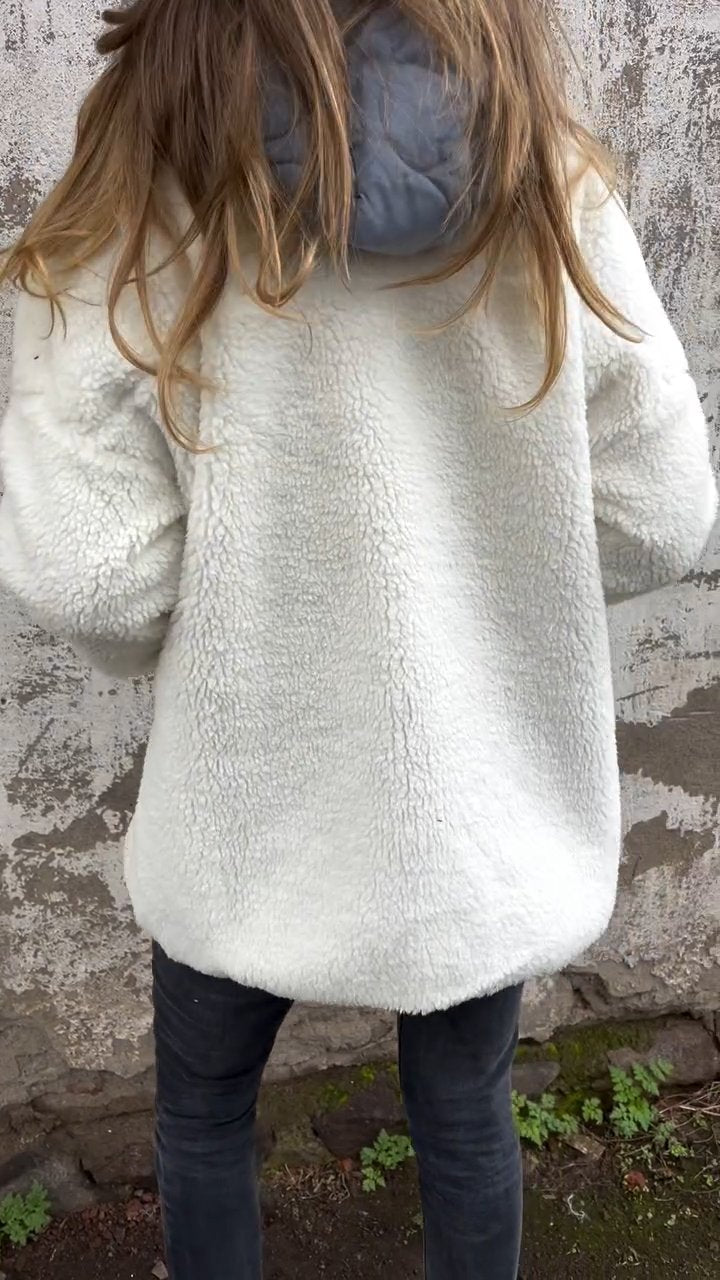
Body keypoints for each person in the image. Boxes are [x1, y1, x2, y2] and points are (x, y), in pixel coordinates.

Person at [0, 1, 716, 1277]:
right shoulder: (545, 176)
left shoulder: (148, 186)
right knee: (466, 1106)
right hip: (475, 810)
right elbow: (662, 514)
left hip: (246, 806)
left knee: (205, 1112)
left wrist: (235, 619)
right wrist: (498, 595)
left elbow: (92, 578)